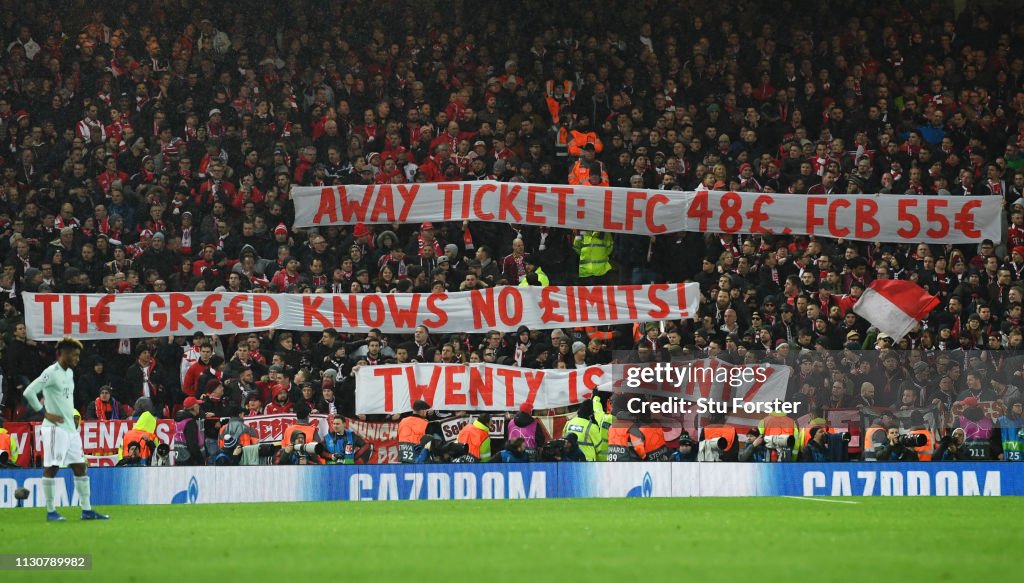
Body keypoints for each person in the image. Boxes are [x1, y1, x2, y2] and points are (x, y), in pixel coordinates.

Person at [22, 337, 109, 521]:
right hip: (54, 429)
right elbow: (29, 391)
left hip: (70, 429)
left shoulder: (69, 373)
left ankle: (86, 510)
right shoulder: (51, 372)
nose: (77, 359)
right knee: (52, 467)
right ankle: (51, 511)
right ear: (64, 354)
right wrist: (44, 413)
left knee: (80, 466)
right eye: (75, 355)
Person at [173, 396, 205, 466]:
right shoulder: (190, 422)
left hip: (177, 457)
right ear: (194, 407)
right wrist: (200, 460)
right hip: (189, 459)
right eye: (198, 405)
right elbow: (192, 444)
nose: (199, 407)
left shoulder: (177, 419)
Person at [397, 399, 431, 463]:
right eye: (426, 410)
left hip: (403, 454)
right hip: (418, 456)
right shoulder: (425, 423)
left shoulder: (402, 421)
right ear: (422, 410)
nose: (426, 412)